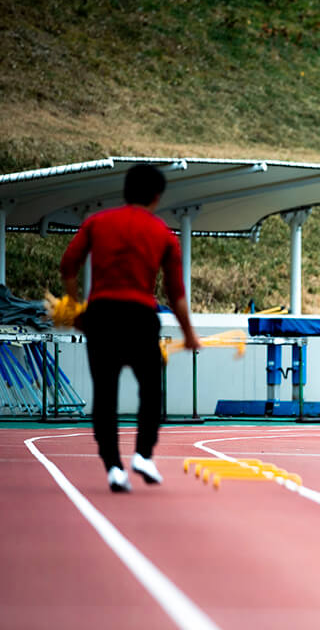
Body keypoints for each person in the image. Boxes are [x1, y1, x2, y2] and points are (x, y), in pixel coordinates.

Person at [60, 164, 200, 492]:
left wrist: (74, 308)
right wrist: (190, 335)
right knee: (151, 390)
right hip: (139, 316)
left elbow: (68, 265)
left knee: (105, 394)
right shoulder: (163, 234)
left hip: (102, 315)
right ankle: (143, 454)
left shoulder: (97, 223)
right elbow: (176, 295)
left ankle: (113, 468)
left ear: (125, 191)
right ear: (156, 196)